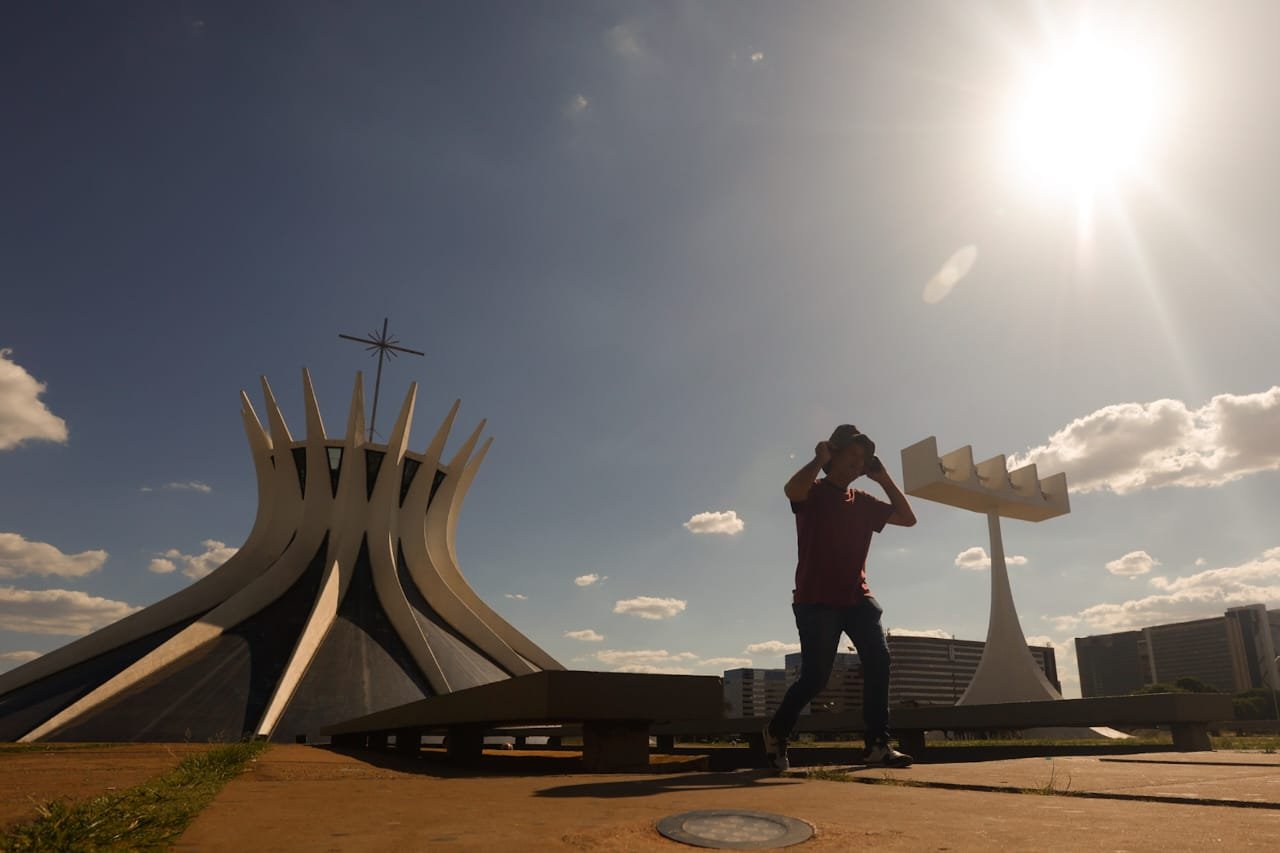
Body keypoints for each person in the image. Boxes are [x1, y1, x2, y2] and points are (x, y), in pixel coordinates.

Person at [763, 424, 917, 771]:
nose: (858, 463)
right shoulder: (813, 491)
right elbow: (791, 489)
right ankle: (776, 731)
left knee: (879, 661)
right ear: (834, 453)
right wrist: (818, 460)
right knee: (816, 677)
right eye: (852, 454)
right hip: (816, 600)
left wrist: (885, 478)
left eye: (863, 459)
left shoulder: (863, 502)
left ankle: (878, 744)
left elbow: (908, 519)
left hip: (857, 598)